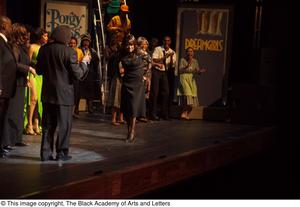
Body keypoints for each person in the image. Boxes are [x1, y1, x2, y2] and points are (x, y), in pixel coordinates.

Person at [36, 25, 90, 161]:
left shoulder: (44, 49)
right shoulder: (69, 52)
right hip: (64, 95)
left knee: (48, 125)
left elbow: (39, 71)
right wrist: (84, 63)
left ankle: (45, 154)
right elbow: (78, 74)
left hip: (48, 94)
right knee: (64, 125)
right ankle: (61, 153)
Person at [2, 23, 37, 149]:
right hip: (14, 83)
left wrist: (26, 76)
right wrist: (28, 69)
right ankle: (7, 141)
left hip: (21, 82)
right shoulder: (13, 47)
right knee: (11, 113)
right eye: (23, 34)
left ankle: (17, 138)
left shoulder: (21, 47)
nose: (25, 36)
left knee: (18, 113)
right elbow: (14, 65)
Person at [120, 34, 146, 143]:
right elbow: (117, 67)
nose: (129, 46)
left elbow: (150, 61)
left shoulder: (139, 54)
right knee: (127, 109)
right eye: (127, 44)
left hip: (137, 85)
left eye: (131, 44)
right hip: (127, 83)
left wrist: (145, 75)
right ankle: (128, 130)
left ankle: (132, 132)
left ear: (134, 45)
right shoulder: (122, 55)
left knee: (133, 108)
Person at [24, 27, 48, 135]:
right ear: (39, 36)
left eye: (47, 36)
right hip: (32, 73)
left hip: (41, 76)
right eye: (45, 35)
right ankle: (29, 124)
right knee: (33, 99)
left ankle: (36, 123)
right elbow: (27, 62)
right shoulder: (32, 47)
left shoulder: (45, 48)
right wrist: (26, 77)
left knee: (39, 101)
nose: (46, 38)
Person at [0, 16, 17, 158]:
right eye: (10, 25)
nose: (11, 28)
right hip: (1, 88)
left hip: (6, 89)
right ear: (3, 26)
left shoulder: (5, 42)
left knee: (2, 118)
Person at [149, 36, 176, 121]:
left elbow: (172, 65)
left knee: (166, 93)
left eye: (168, 41)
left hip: (165, 72)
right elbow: (154, 60)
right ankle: (152, 114)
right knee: (155, 92)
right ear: (163, 41)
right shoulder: (158, 49)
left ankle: (164, 113)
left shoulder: (172, 52)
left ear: (170, 42)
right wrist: (165, 57)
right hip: (156, 71)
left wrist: (170, 56)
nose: (166, 42)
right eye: (165, 40)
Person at [177, 47, 206, 120]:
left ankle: (185, 113)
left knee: (192, 99)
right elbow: (180, 70)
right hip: (184, 78)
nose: (190, 53)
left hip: (191, 79)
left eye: (191, 51)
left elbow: (197, 71)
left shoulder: (195, 61)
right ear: (186, 53)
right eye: (188, 51)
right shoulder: (182, 60)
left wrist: (200, 71)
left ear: (193, 53)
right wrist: (187, 66)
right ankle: (183, 113)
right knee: (188, 95)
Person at [78, 33, 100, 114]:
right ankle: (76, 108)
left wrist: (92, 58)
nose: (86, 43)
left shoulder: (92, 51)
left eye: (87, 41)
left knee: (90, 92)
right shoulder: (79, 50)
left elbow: (97, 61)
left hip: (90, 73)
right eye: (85, 41)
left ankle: (90, 108)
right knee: (79, 92)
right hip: (81, 73)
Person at [107, 36, 125, 125]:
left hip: (123, 78)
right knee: (115, 98)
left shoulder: (124, 55)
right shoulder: (116, 54)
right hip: (117, 77)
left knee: (123, 98)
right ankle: (113, 119)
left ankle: (120, 118)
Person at [137, 36, 152, 122]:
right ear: (141, 44)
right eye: (145, 43)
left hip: (147, 75)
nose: (146, 45)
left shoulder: (146, 52)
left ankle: (142, 114)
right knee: (140, 95)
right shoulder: (139, 51)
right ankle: (138, 115)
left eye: (146, 44)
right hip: (141, 75)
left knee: (144, 95)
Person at [69, 36, 84, 118]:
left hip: (76, 75)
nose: (72, 44)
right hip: (69, 75)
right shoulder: (66, 50)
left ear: (76, 44)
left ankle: (74, 111)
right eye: (71, 43)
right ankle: (69, 112)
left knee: (76, 94)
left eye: (74, 43)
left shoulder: (79, 51)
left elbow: (82, 62)